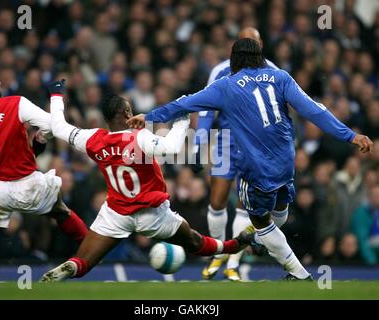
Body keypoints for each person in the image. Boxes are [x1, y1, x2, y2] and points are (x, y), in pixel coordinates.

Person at [127, 38, 373, 280]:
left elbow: (184, 104)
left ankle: (298, 273)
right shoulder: (281, 77)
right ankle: (259, 240)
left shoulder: (226, 85)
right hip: (287, 162)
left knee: (260, 220)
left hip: (257, 167)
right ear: (260, 57)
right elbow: (314, 110)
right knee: (279, 214)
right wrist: (350, 135)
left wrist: (149, 117)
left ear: (234, 59)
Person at [40, 83, 249, 282]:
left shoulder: (93, 139)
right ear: (127, 113)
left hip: (116, 214)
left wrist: (57, 95)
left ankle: (73, 266)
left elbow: (58, 127)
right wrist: (182, 117)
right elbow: (172, 147)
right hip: (151, 214)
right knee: (194, 241)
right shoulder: (139, 138)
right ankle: (233, 245)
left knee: (83, 262)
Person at [0, 69, 87, 272]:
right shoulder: (15, 103)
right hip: (26, 185)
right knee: (60, 212)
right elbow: (53, 126)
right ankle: (90, 250)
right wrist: (55, 100)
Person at [194, 27, 278, 281]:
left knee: (247, 206)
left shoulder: (274, 73)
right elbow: (207, 109)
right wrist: (199, 144)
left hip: (256, 145)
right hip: (226, 141)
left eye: (253, 41)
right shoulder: (220, 70)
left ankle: (233, 262)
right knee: (217, 201)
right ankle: (218, 252)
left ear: (260, 44)